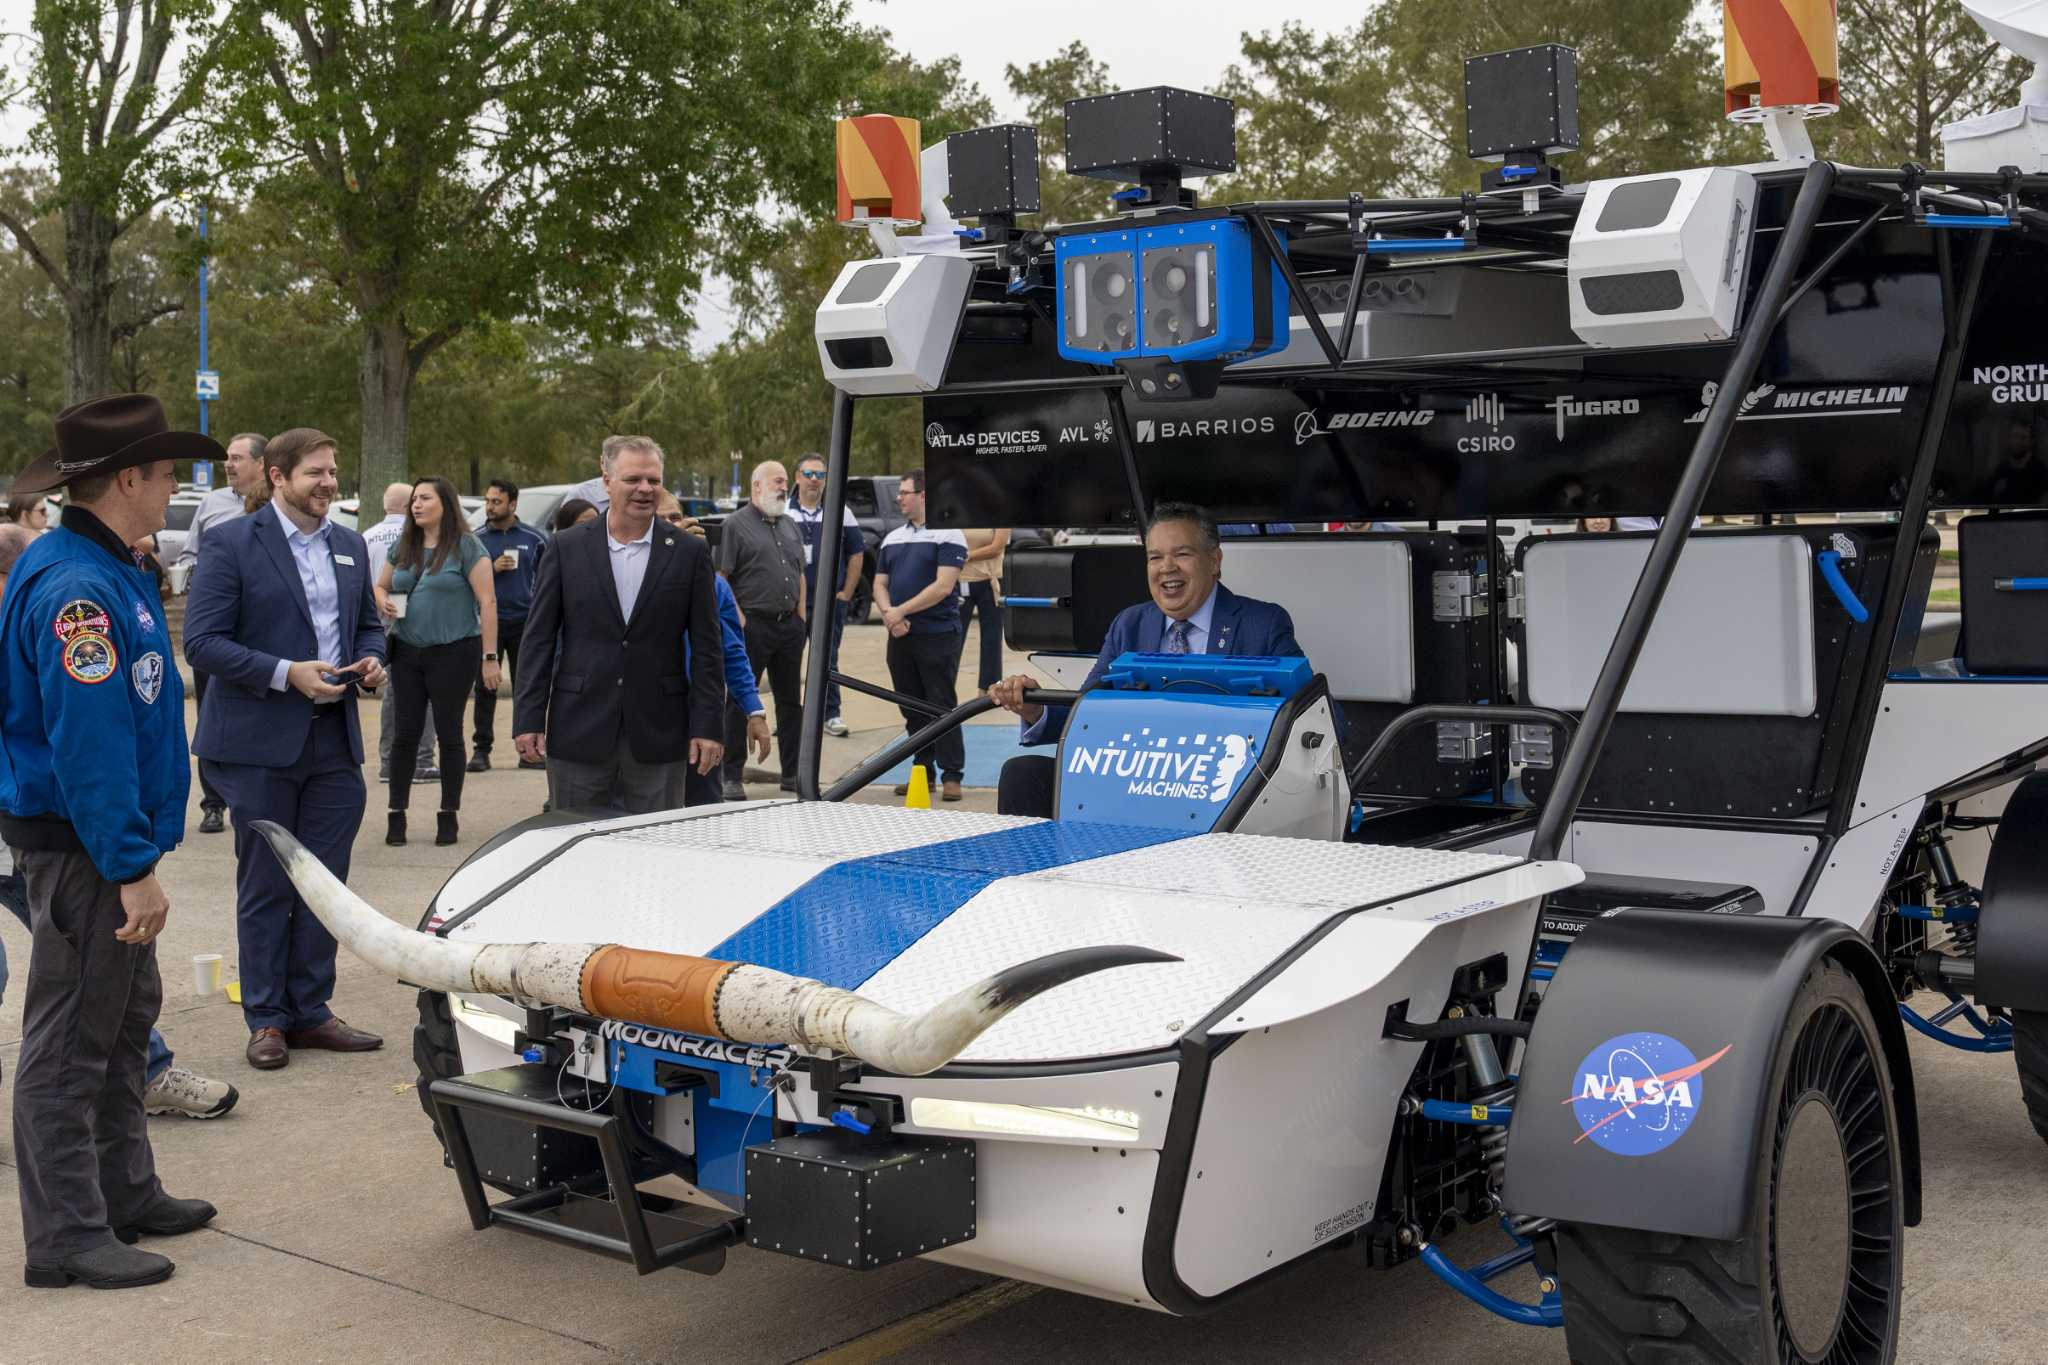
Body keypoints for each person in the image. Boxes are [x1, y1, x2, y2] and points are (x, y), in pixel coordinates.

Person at [0, 393, 219, 1290]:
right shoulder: (76, 588)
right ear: (128, 477)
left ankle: (125, 1191)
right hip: (88, 849)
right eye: (167, 473)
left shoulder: (105, 564)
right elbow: (87, 744)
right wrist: (130, 867)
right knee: (69, 1043)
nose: (174, 488)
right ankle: (65, 1236)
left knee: (124, 1023)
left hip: (109, 842)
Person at [185, 427, 388, 1072]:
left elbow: (367, 626)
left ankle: (312, 1011)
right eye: (315, 474)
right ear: (277, 477)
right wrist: (285, 671)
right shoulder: (230, 544)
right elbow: (203, 642)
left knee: (326, 884)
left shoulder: (351, 545)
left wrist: (373, 660)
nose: (329, 482)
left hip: (333, 742)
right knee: (269, 881)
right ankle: (267, 1018)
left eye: (333, 471)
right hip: (255, 745)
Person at [989, 502, 1303, 818]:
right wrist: (1035, 708)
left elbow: (1315, 719)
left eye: (1182, 554)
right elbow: (1086, 710)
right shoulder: (1130, 624)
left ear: (1214, 560)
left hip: (1223, 791)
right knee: (1023, 773)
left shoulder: (1262, 624)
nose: (1167, 567)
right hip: (1136, 782)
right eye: (1155, 557)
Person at [514, 436, 724, 813]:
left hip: (659, 736)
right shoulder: (566, 548)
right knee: (573, 849)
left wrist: (708, 726)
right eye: (633, 479)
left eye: (653, 480)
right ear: (606, 479)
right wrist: (528, 717)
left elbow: (708, 647)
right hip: (579, 730)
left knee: (655, 853)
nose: (645, 489)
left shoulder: (690, 554)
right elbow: (538, 640)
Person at [376, 477, 495, 846]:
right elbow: (381, 584)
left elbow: (488, 602)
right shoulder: (404, 545)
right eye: (414, 499)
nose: (417, 504)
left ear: (446, 503)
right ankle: (397, 816)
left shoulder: (466, 546)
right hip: (407, 650)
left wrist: (490, 658)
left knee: (449, 734)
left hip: (455, 651)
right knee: (404, 735)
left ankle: (448, 815)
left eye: (425, 498)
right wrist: (382, 599)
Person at [174, 433, 270, 832]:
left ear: (263, 464)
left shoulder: (277, 505)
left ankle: (255, 797)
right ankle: (213, 803)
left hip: (257, 627)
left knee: (254, 712)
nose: (228, 465)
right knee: (211, 712)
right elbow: (188, 552)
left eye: (236, 458)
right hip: (215, 626)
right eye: (226, 460)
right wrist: (190, 573)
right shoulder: (211, 504)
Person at [658, 493, 770, 802]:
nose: (672, 526)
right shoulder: (631, 578)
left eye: (676, 518)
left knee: (702, 810)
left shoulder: (713, 583)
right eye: (663, 519)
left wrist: (754, 711)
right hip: (647, 721)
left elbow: (732, 651)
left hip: (699, 716)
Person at [873, 472, 969, 803]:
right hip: (899, 636)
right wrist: (889, 614)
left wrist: (901, 612)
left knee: (941, 703)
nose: (899, 498)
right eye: (899, 493)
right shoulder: (892, 538)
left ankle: (952, 775)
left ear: (924, 495)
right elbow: (879, 584)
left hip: (936, 634)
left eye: (905, 493)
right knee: (911, 706)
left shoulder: (949, 534)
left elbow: (943, 586)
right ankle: (923, 772)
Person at [717, 459, 807, 796]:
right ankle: (731, 775)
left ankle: (793, 773)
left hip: (788, 628)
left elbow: (799, 574)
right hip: (751, 627)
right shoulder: (735, 526)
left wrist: (801, 619)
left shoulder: (790, 525)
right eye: (778, 481)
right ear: (757, 486)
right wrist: (739, 621)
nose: (784, 487)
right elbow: (721, 578)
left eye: (785, 482)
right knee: (740, 701)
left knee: (790, 704)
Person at [361, 482, 438, 783]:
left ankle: (388, 760)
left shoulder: (366, 537)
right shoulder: (420, 538)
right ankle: (421, 759)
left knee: (392, 694)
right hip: (413, 621)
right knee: (422, 691)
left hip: (375, 621)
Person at [471, 478, 547, 772]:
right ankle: (481, 750)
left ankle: (527, 750)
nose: (490, 507)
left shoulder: (534, 539)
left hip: (524, 623)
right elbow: (466, 579)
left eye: (496, 501)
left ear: (512, 504)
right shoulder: (476, 539)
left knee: (525, 687)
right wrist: (492, 567)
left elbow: (546, 581)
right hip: (488, 624)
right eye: (487, 501)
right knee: (485, 686)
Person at [787, 452, 865, 739]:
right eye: (808, 474)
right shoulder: (784, 512)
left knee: (827, 660)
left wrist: (846, 593)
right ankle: (791, 717)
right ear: (797, 477)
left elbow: (856, 553)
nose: (814, 481)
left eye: (820, 475)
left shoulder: (840, 512)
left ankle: (831, 715)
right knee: (789, 661)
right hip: (793, 605)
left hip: (828, 605)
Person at [957, 526, 1011, 694]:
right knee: (954, 637)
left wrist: (964, 556)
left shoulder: (998, 513)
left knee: (991, 637)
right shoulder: (960, 512)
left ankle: (989, 688)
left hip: (991, 581)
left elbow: (997, 547)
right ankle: (944, 685)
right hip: (961, 581)